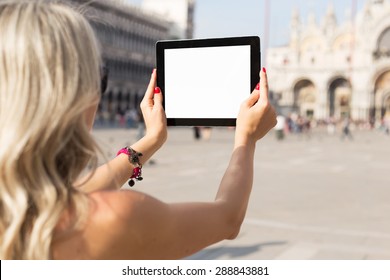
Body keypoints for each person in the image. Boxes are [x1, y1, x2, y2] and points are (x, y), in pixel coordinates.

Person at [0, 1, 277, 260]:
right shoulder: (115, 220)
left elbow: (82, 190)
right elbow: (227, 218)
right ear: (77, 94)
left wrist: (152, 139)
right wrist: (246, 139)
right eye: (99, 77)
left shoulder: (19, 205)